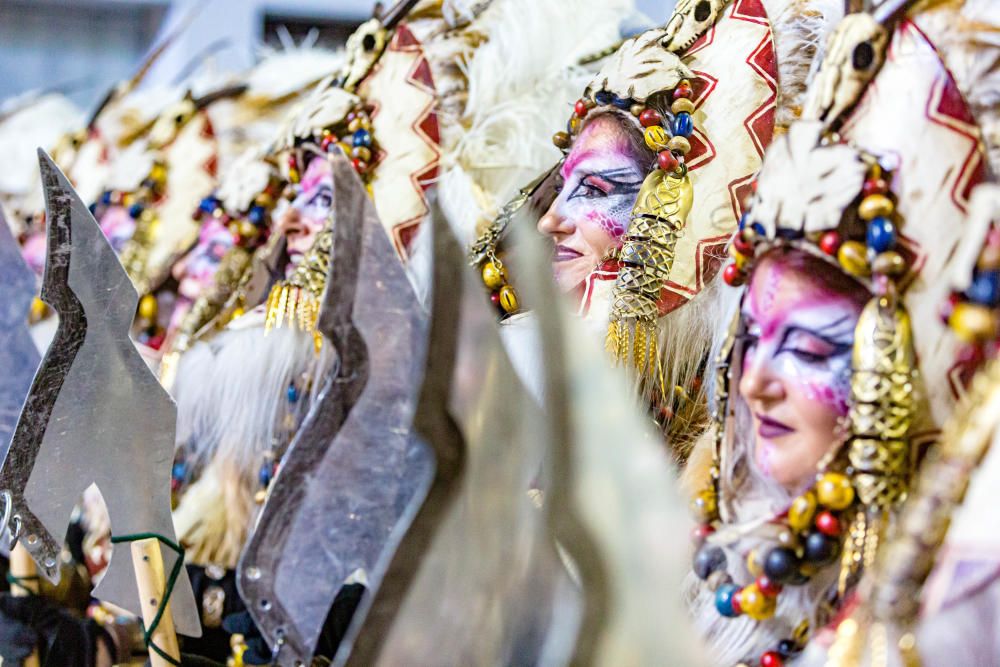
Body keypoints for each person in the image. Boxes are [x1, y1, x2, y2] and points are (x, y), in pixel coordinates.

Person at [682, 1, 999, 660]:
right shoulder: (703, 549)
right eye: (755, 336)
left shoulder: (940, 624)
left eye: (811, 347)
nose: (755, 381)